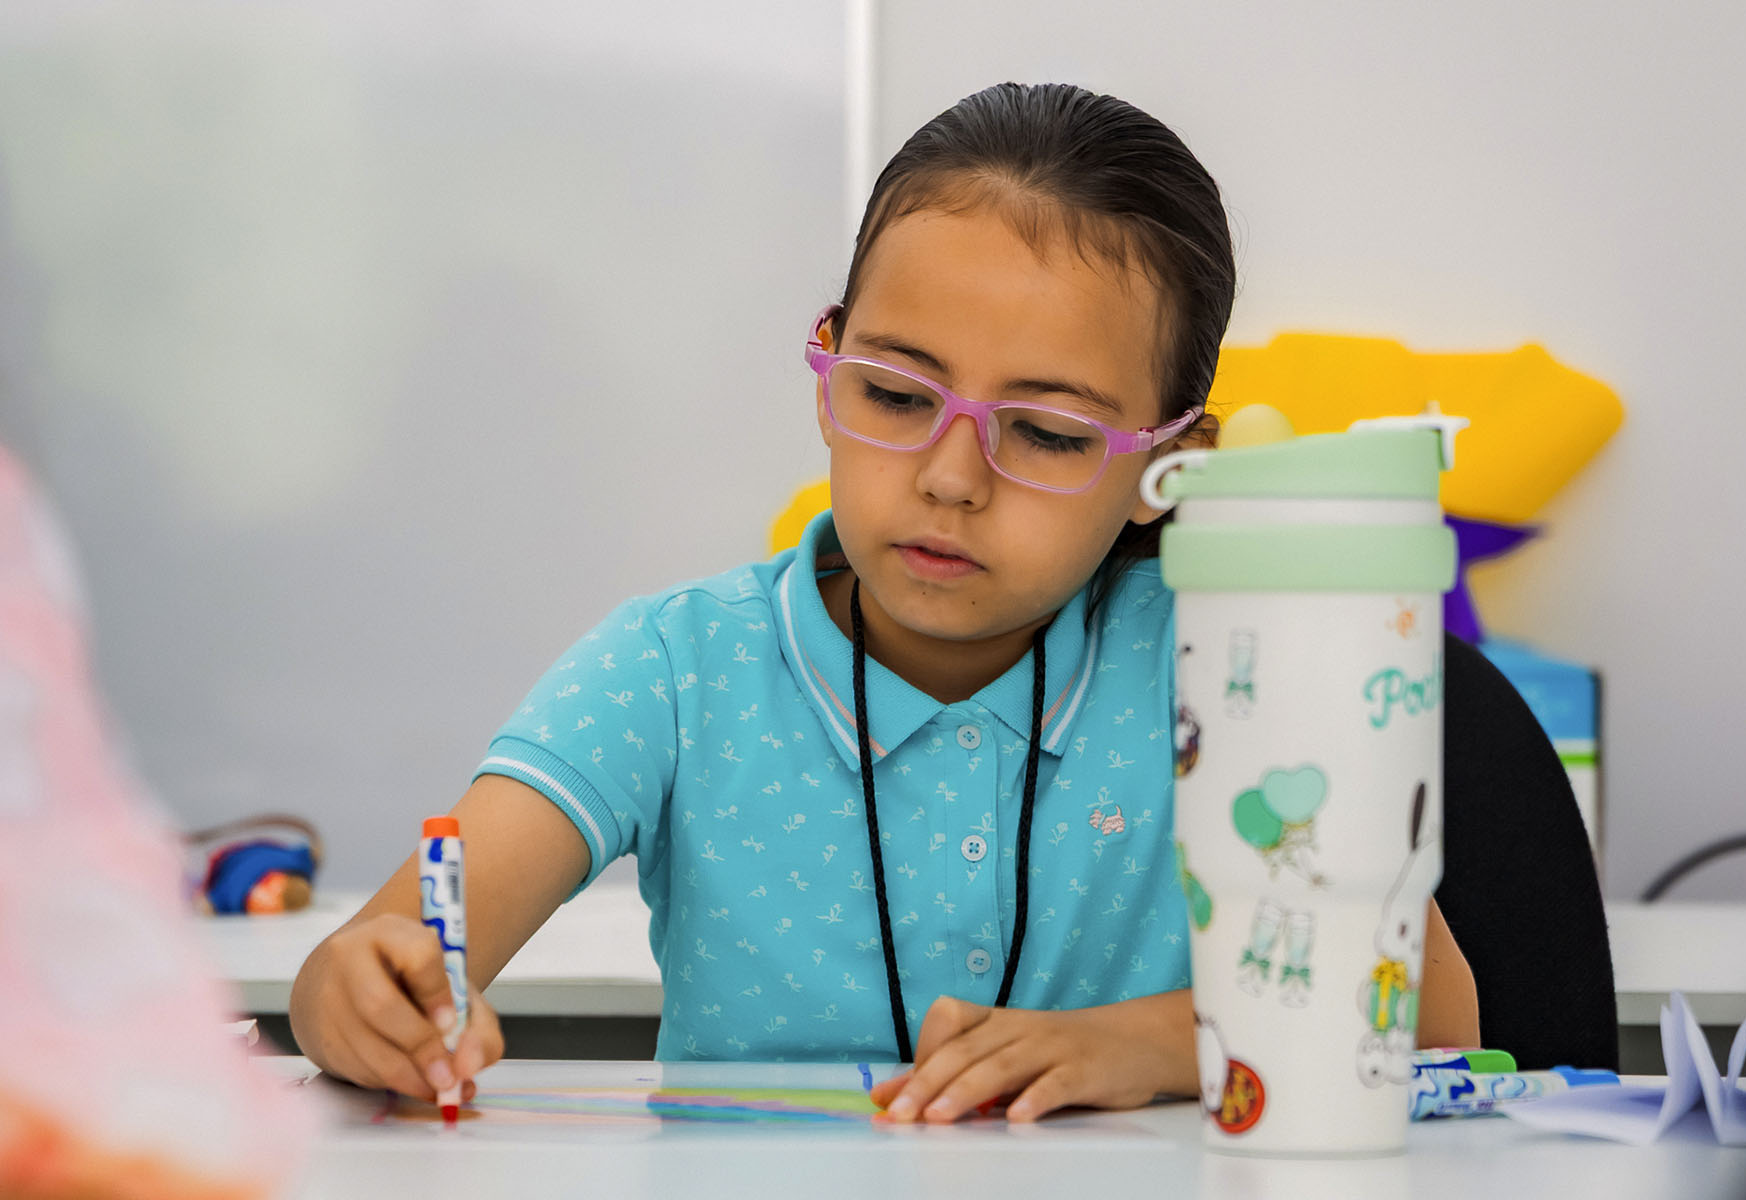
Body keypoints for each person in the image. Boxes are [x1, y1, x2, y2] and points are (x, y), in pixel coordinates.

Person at [290, 81, 1482, 1124]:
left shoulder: (1237, 668)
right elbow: (368, 965)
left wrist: (1151, 1045)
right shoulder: (674, 667)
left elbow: (1428, 1023)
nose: (951, 479)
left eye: (1048, 432)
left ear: (1167, 469)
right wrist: (363, 996)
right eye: (899, 396)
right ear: (829, 367)